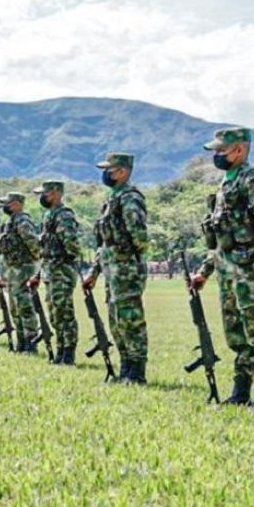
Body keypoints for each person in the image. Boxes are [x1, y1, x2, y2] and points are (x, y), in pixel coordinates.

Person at [190, 128, 254, 409]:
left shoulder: (252, 180)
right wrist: (204, 272)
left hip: (249, 271)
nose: (217, 156)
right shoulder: (225, 185)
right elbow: (219, 238)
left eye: (222, 150)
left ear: (240, 150)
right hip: (227, 271)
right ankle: (241, 390)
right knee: (236, 333)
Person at [83, 153, 149, 384]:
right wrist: (94, 272)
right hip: (112, 269)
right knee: (117, 321)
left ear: (122, 171)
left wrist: (128, 259)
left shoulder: (130, 198)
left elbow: (140, 237)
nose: (105, 174)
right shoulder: (111, 200)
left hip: (127, 268)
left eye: (109, 169)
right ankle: (125, 368)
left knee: (131, 320)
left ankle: (137, 371)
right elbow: (104, 243)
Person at [32, 182, 81, 364]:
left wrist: (63, 261)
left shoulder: (64, 215)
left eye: (44, 194)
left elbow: (72, 245)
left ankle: (68, 351)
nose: (42, 197)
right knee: (54, 312)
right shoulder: (48, 216)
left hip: (62, 270)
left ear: (54, 194)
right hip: (50, 270)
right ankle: (60, 348)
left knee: (64, 311)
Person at [0, 191, 42, 354]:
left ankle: (31, 342)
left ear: (17, 203)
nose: (5, 206)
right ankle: (21, 341)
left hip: (24, 268)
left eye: (7, 203)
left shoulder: (23, 221)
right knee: (15, 307)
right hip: (12, 270)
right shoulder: (10, 223)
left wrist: (35, 267)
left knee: (25, 306)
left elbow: (34, 244)